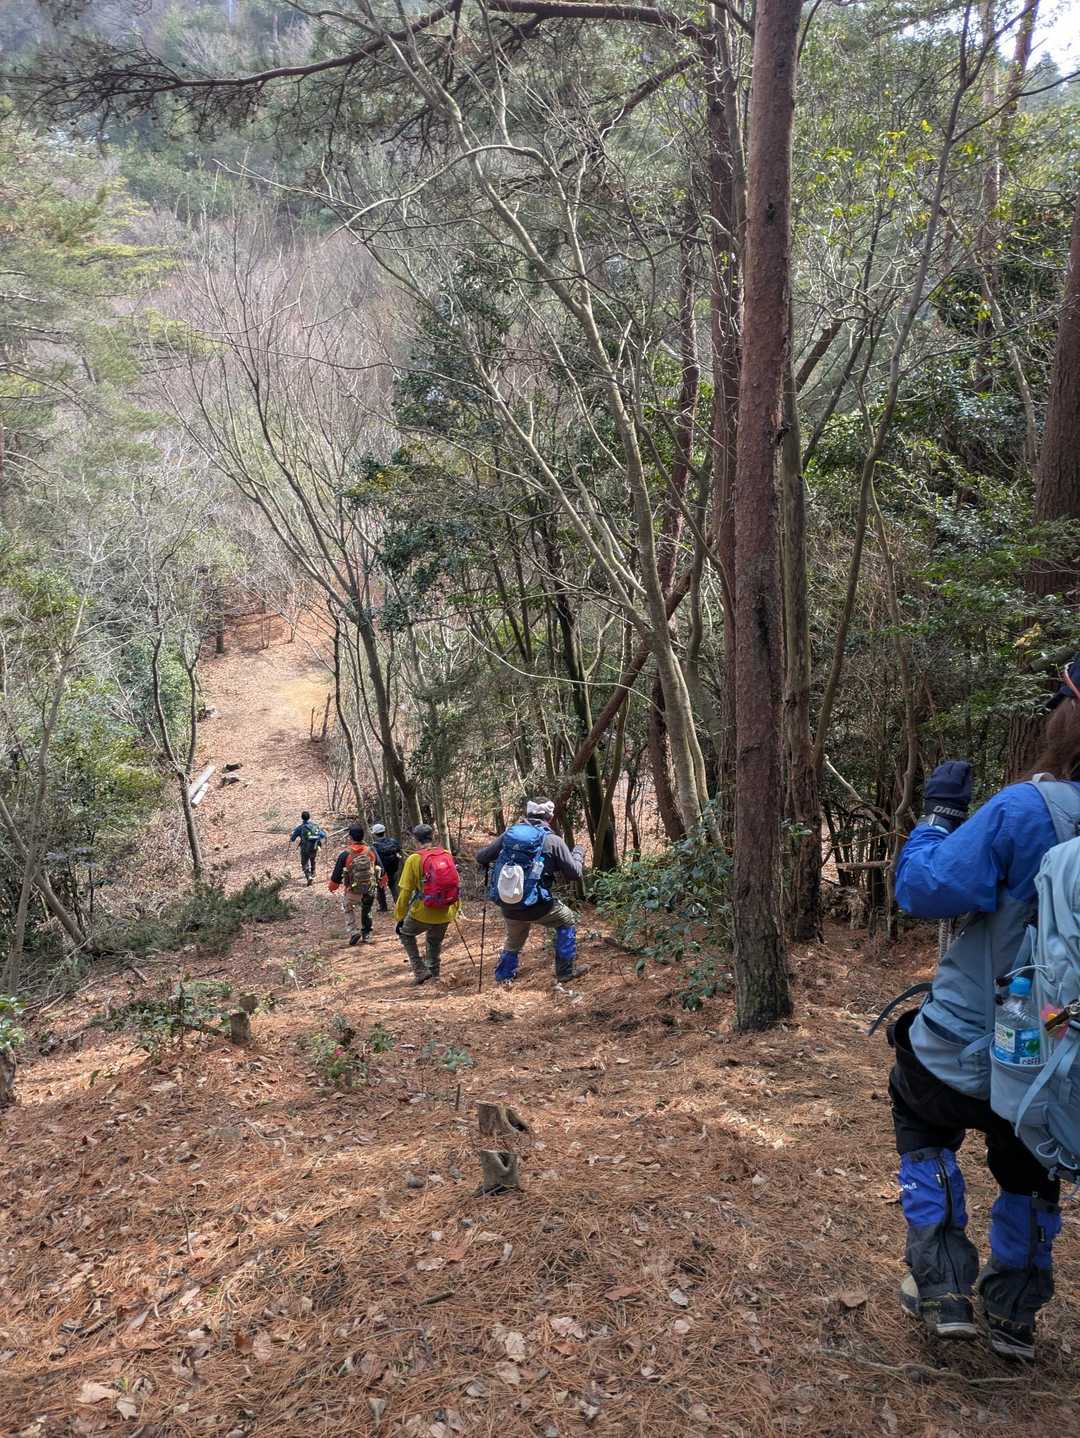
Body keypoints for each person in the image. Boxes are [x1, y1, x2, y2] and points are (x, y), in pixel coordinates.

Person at [881, 655, 1080, 1361]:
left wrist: (938, 819)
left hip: (972, 1040)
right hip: (1063, 1057)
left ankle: (940, 1284)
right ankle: (1015, 1313)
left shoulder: (1028, 811)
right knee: (1032, 1164)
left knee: (919, 1111)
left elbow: (923, 889)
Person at [475, 797, 588, 988]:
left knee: (514, 938)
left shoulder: (510, 834)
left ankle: (504, 977)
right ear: (549, 817)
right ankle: (565, 972)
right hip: (537, 906)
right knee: (567, 919)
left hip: (508, 903)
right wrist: (578, 853)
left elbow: (482, 857)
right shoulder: (553, 841)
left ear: (528, 813)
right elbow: (574, 874)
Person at [394, 824, 460, 985]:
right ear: (433, 837)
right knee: (434, 941)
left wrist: (399, 916)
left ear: (415, 839)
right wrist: (455, 908)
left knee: (405, 933)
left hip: (423, 911)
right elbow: (455, 883)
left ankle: (420, 970)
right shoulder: (446, 854)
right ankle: (434, 974)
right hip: (446, 910)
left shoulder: (414, 859)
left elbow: (405, 892)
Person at [328, 824, 383, 946]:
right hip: (369, 889)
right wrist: (382, 882)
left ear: (350, 837)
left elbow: (336, 877)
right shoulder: (371, 851)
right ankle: (367, 934)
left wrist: (332, 887)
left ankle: (353, 931)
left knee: (347, 906)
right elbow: (381, 869)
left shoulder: (345, 854)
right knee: (367, 909)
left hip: (352, 891)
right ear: (363, 836)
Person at [288, 810, 326, 885]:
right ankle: (313, 872)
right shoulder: (315, 826)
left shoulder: (300, 827)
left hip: (304, 848)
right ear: (309, 817)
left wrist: (291, 835)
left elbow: (292, 839)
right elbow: (323, 835)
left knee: (304, 863)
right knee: (312, 858)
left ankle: (308, 877)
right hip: (315, 847)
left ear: (302, 818)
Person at [372, 823, 403, 912]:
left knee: (380, 888)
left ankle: (383, 907)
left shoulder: (374, 846)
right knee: (393, 887)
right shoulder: (393, 842)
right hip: (393, 869)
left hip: (381, 871)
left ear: (375, 834)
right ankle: (399, 906)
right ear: (384, 832)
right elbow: (399, 848)